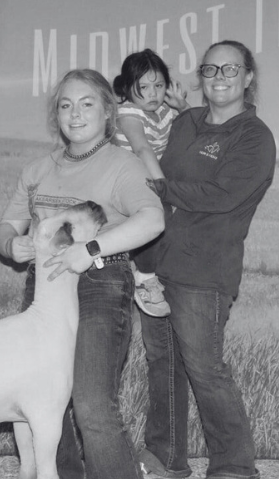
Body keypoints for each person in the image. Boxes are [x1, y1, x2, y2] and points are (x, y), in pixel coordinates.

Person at [0, 69, 164, 479]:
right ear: (56, 114)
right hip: (43, 288)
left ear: (108, 112)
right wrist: (15, 243)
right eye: (66, 105)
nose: (75, 114)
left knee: (91, 401)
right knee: (41, 397)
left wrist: (89, 249)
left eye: (87, 104)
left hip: (100, 284)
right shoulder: (38, 169)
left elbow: (152, 219)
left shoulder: (122, 166)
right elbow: (5, 230)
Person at [137, 41, 276, 479]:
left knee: (204, 367)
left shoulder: (253, 136)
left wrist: (159, 186)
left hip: (205, 269)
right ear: (200, 76)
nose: (220, 76)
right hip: (157, 261)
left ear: (248, 77)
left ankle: (235, 465)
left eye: (230, 69)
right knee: (164, 362)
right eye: (211, 68)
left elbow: (220, 195)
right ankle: (166, 455)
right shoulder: (184, 122)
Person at [112, 49, 189, 318]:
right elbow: (142, 148)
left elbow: (194, 133)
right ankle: (144, 278)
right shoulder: (129, 112)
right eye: (143, 87)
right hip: (126, 179)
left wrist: (183, 108)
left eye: (158, 86)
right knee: (158, 215)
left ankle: (149, 268)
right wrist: (162, 188)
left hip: (150, 177)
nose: (152, 93)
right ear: (127, 88)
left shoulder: (166, 113)